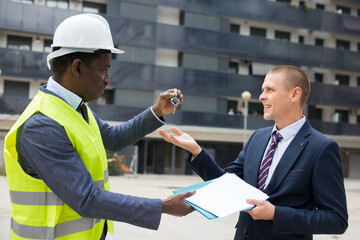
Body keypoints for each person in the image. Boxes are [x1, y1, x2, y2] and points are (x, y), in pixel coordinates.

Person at [3, 14, 194, 240]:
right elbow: (87, 199)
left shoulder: (74, 108)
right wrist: (161, 206)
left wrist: (157, 111)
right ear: (77, 67)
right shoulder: (43, 125)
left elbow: (114, 138)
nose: (107, 79)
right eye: (103, 69)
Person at [158, 65, 348, 239]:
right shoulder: (258, 138)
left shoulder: (322, 148)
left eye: (270, 90)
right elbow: (226, 183)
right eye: (263, 90)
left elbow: (336, 219)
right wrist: (196, 150)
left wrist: (275, 213)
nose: (262, 96)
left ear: (294, 94)